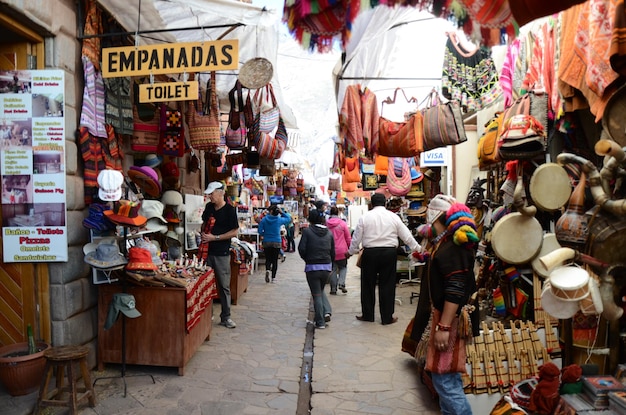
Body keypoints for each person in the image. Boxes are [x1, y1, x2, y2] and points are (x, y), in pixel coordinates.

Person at [411, 194, 479, 415]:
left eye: (430, 211)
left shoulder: (453, 248)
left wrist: (444, 327)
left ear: (437, 214)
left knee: (445, 381)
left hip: (450, 320)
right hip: (446, 319)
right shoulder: (444, 244)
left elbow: (455, 290)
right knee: (446, 379)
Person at [347, 193, 421, 325]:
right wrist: (418, 248)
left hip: (370, 253)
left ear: (372, 203)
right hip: (388, 253)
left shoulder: (365, 217)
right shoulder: (393, 217)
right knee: (387, 284)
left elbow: (356, 238)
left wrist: (351, 252)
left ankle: (368, 315)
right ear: (385, 203)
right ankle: (387, 317)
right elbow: (406, 236)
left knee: (367, 284)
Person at [200, 181, 240, 329]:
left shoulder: (230, 210)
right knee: (205, 284)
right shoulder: (209, 207)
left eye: (212, 193)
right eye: (209, 193)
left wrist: (215, 238)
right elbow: (204, 223)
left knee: (223, 286)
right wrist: (203, 233)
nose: (210, 196)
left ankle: (226, 316)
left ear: (221, 192)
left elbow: (235, 231)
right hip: (206, 251)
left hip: (221, 252)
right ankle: (206, 315)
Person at [298, 209, 334, 329]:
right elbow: (332, 252)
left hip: (312, 268)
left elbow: (301, 249)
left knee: (317, 294)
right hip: (326, 268)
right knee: (320, 291)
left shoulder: (307, 232)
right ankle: (326, 312)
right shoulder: (329, 233)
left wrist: (307, 259)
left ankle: (320, 322)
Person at [258, 204, 292, 283]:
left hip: (266, 241)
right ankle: (273, 278)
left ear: (270, 211)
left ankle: (267, 270)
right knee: (275, 260)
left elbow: (260, 231)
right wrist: (282, 212)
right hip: (276, 241)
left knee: (268, 259)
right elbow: (289, 218)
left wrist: (265, 235)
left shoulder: (264, 219)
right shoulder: (279, 219)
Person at [327, 205, 352, 294]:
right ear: (338, 213)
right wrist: (350, 249)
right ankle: (341, 283)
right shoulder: (342, 224)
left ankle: (333, 289)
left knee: (332, 269)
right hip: (342, 250)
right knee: (343, 267)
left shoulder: (326, 224)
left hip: (330, 250)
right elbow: (348, 238)